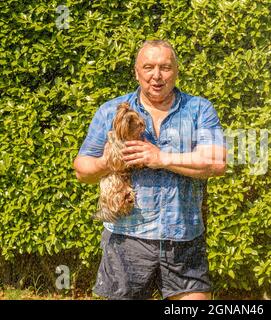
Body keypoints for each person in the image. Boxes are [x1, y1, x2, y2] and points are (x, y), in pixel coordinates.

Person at [73, 40, 227, 300]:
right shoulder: (111, 110)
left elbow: (216, 163)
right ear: (136, 72)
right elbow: (82, 170)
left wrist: (161, 158)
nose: (157, 75)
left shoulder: (199, 109)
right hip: (126, 239)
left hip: (184, 238)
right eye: (149, 67)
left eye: (165, 67)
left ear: (176, 71)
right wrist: (109, 161)